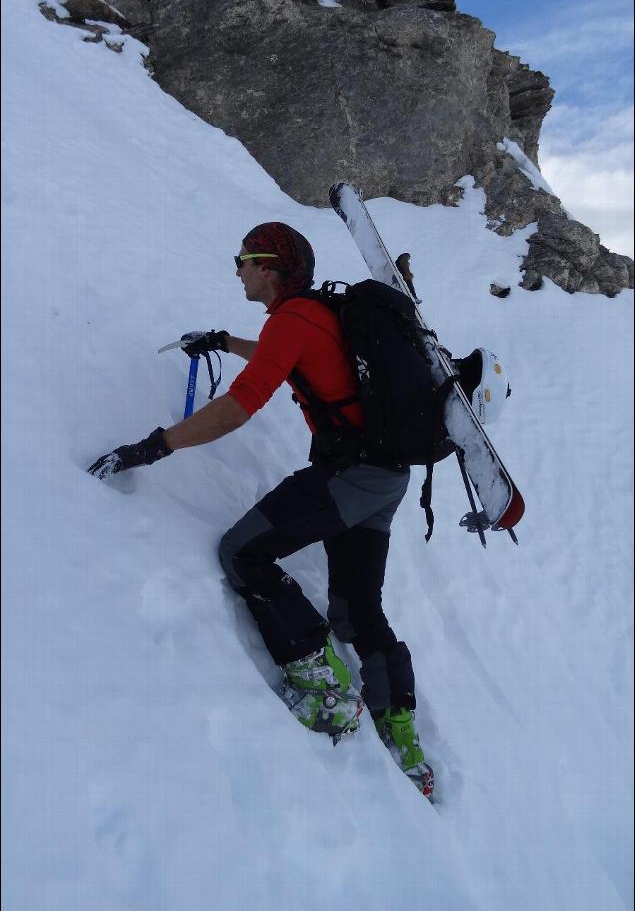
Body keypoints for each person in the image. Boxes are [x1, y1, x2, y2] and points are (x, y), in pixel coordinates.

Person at [88, 222, 434, 796]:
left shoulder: (293, 319)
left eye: (244, 259)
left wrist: (153, 446)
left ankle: (322, 686)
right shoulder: (314, 314)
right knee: (356, 612)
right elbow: (294, 356)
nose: (238, 268)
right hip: (383, 476)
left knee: (244, 553)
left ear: (270, 267)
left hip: (351, 477)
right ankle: (402, 732)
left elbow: (241, 405)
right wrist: (226, 342)